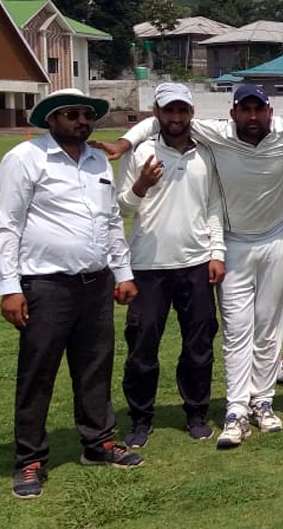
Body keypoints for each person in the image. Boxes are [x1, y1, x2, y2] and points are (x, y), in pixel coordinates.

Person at [106, 85, 283, 448]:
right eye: (244, 110)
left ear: (270, 112)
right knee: (238, 331)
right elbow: (156, 125)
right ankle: (236, 409)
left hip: (275, 240)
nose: (252, 117)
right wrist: (125, 143)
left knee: (269, 329)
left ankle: (263, 402)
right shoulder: (214, 133)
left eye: (259, 109)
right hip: (234, 244)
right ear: (232, 113)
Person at [0, 88, 143, 499]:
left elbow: (111, 220)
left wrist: (123, 272)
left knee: (95, 366)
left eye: (86, 114)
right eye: (71, 114)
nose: (82, 121)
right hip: (45, 285)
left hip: (95, 284)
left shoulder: (97, 159)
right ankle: (29, 460)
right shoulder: (25, 159)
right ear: (51, 119)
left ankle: (97, 444)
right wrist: (9, 287)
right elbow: (7, 225)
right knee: (38, 372)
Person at [116, 83, 226, 446]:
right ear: (157, 113)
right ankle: (140, 419)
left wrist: (217, 253)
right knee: (143, 344)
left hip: (195, 263)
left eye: (182, 111)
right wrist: (141, 186)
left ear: (191, 113)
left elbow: (212, 207)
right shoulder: (142, 152)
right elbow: (119, 208)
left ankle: (196, 411)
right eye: (169, 111)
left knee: (199, 344)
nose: (176, 118)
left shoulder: (205, 154)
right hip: (148, 265)